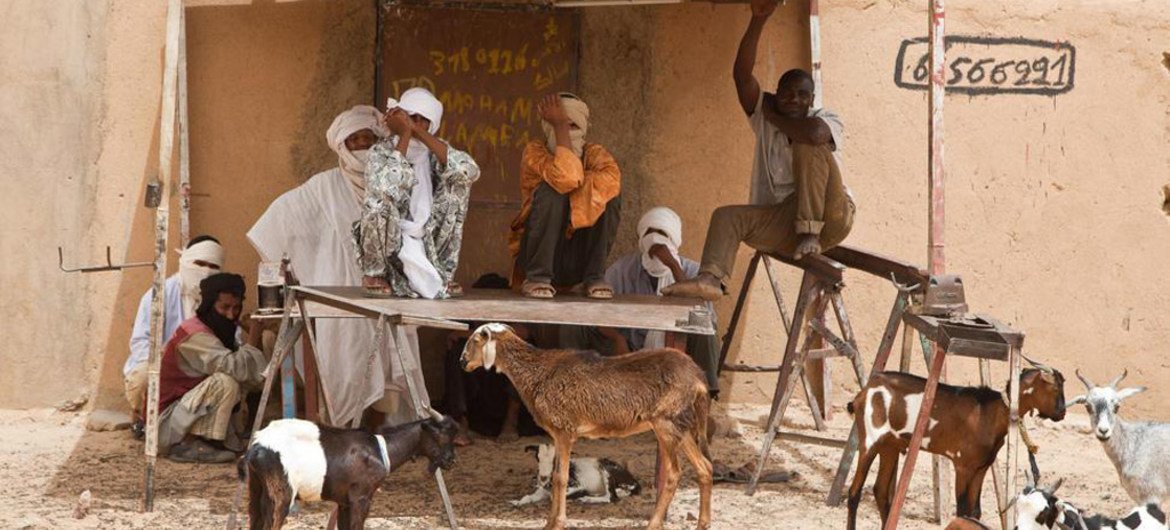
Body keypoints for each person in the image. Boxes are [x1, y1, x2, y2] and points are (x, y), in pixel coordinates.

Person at [248, 105, 427, 428]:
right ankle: (344, 443)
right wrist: (284, 272)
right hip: (341, 298)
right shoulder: (322, 187)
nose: (362, 146)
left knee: (387, 380)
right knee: (347, 371)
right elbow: (278, 221)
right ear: (341, 145)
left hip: (388, 293)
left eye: (368, 139)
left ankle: (372, 448)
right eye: (354, 140)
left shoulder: (391, 179)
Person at [665, 0, 853, 302]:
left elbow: (815, 135)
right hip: (785, 223)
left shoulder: (824, 118)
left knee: (808, 146)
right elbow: (741, 76)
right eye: (787, 94)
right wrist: (758, 21)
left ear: (811, 99)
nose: (794, 100)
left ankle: (809, 232)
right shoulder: (763, 118)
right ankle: (710, 279)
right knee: (726, 217)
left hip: (831, 217)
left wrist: (775, 116)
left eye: (802, 95)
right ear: (776, 94)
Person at [559, 207, 721, 397]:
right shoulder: (623, 270)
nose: (654, 239)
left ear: (675, 239)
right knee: (575, 325)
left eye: (662, 233)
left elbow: (704, 321)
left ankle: (706, 398)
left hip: (677, 351)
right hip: (630, 349)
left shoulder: (693, 271)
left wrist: (673, 266)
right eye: (648, 233)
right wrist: (617, 338)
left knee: (706, 329)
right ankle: (572, 392)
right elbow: (596, 313)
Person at [355, 87, 480, 299]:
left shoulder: (437, 151)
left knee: (457, 185)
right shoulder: (381, 151)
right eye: (412, 117)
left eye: (424, 120)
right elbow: (387, 187)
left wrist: (417, 132)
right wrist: (404, 135)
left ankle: (441, 273)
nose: (417, 123)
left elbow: (469, 171)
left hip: (429, 240)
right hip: (391, 245)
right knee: (378, 203)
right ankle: (374, 275)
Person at [509, 92, 622, 299]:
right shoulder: (535, 152)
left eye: (573, 126)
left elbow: (608, 182)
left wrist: (580, 190)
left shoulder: (596, 155)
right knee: (553, 190)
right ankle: (537, 278)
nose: (567, 133)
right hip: (537, 256)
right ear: (547, 126)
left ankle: (594, 277)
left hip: (575, 260)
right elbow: (567, 178)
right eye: (559, 125)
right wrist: (560, 127)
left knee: (609, 195)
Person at [155, 273, 268, 463]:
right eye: (224, 307)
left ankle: (210, 440)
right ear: (209, 304)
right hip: (165, 426)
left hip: (182, 414)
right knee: (226, 381)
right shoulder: (194, 335)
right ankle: (191, 443)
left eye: (236, 308)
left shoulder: (216, 331)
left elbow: (255, 376)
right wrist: (254, 338)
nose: (231, 315)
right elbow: (235, 367)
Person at [124, 235, 224, 433]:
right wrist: (163, 361)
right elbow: (141, 340)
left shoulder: (221, 300)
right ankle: (144, 419)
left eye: (212, 266)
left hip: (203, 368)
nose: (205, 271)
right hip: (163, 363)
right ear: (185, 261)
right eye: (199, 263)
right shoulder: (160, 293)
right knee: (144, 375)